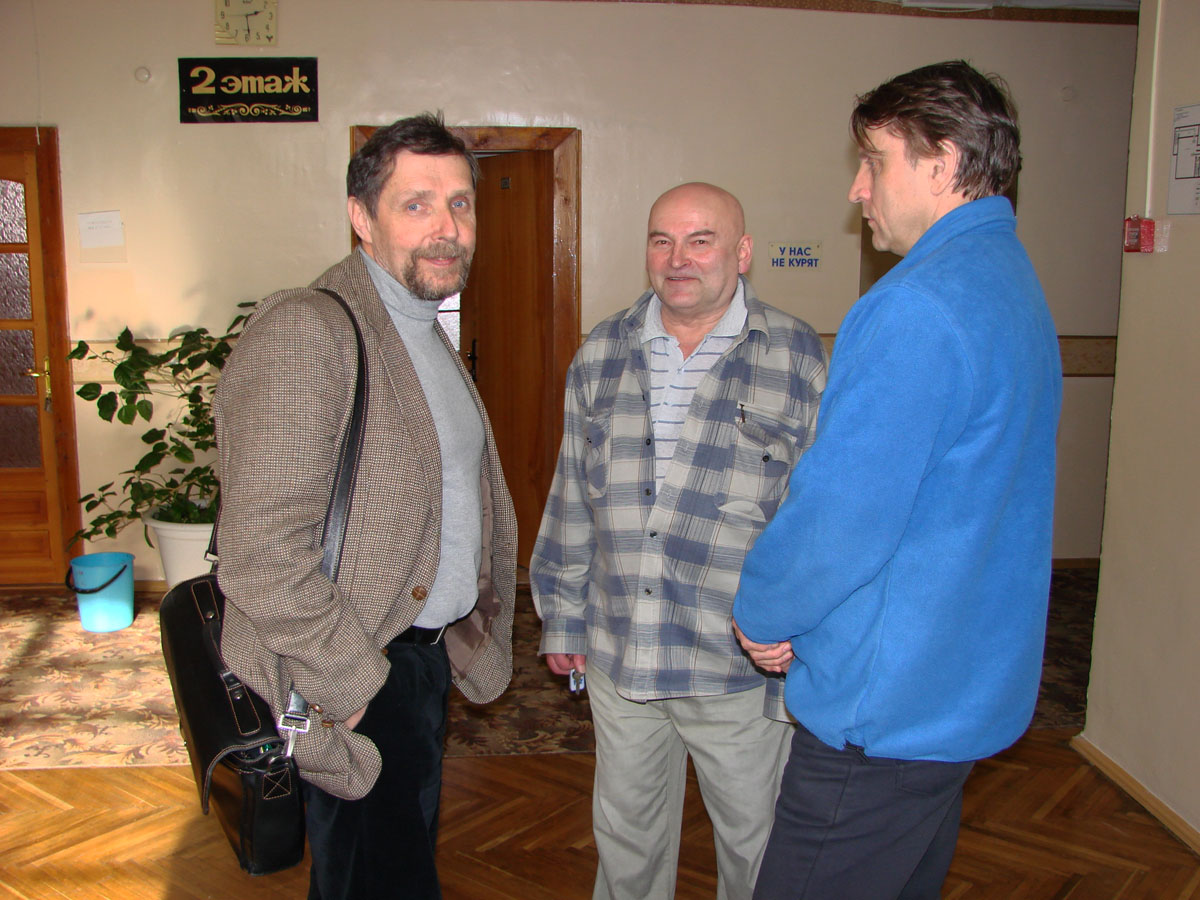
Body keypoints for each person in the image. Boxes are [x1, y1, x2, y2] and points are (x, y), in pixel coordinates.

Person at [732, 61, 1063, 900]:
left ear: (941, 164)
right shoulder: (1009, 280)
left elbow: (841, 516)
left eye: (875, 162)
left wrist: (762, 610)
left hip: (883, 712)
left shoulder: (918, 304)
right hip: (955, 690)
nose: (858, 187)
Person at [213, 112, 517, 900]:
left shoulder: (417, 325)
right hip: (354, 670)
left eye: (459, 203)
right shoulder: (309, 329)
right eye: (416, 204)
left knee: (382, 875)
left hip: (414, 664)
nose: (447, 228)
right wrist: (354, 684)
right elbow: (258, 551)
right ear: (361, 217)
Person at [532, 182, 827, 900]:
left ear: (742, 252)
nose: (678, 258)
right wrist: (562, 616)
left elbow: (821, 516)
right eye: (662, 241)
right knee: (625, 842)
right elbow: (572, 494)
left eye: (701, 240)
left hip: (736, 663)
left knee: (756, 847)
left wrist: (802, 625)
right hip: (621, 651)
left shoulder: (797, 356)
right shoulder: (603, 352)